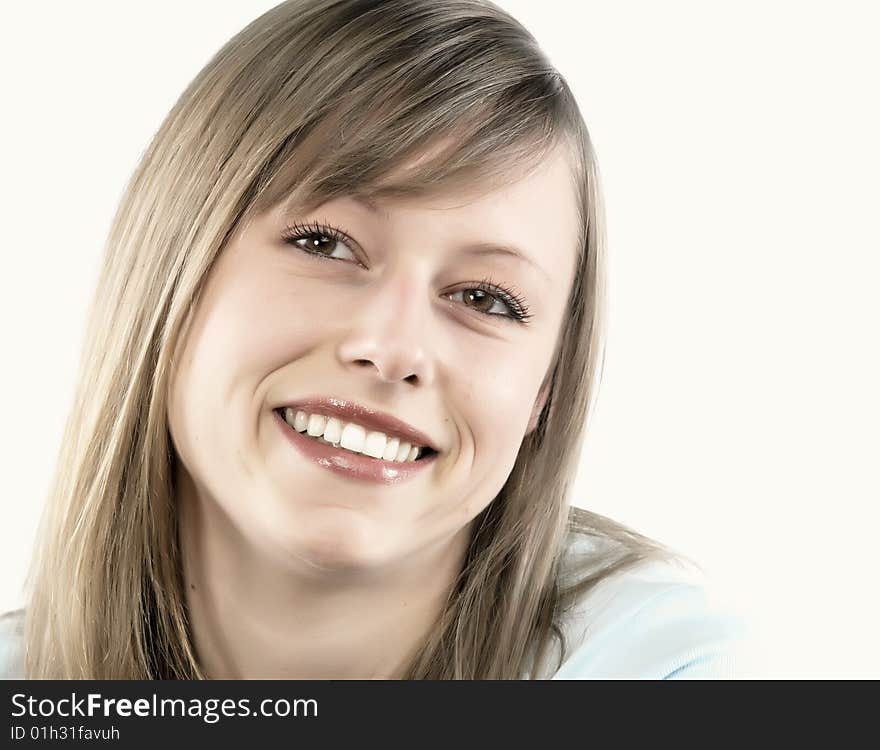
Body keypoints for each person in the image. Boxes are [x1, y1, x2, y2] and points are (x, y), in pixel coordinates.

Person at [0, 0, 747, 680]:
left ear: (545, 390)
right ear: (168, 271)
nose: (392, 350)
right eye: (325, 244)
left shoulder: (664, 666)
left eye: (485, 299)